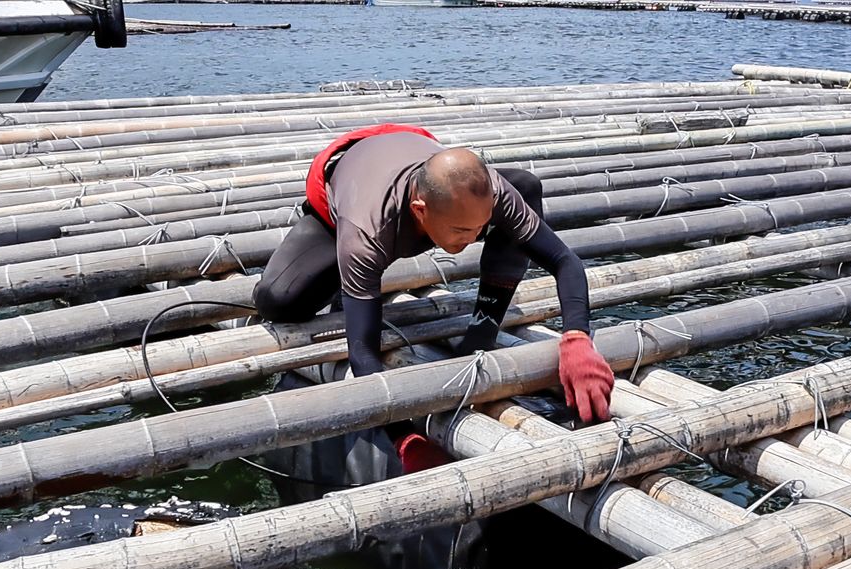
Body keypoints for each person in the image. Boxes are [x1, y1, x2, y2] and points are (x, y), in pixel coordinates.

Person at [253, 124, 615, 473]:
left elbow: (564, 260)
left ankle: (482, 330)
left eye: (481, 227)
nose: (473, 239)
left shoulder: (494, 193)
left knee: (527, 186)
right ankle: (349, 280)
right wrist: (405, 439)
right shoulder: (367, 230)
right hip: (347, 197)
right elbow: (363, 354)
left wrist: (576, 337)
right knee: (279, 301)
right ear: (420, 209)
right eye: (461, 231)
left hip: (411, 160)